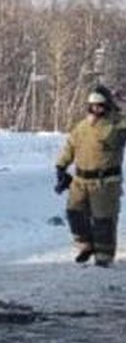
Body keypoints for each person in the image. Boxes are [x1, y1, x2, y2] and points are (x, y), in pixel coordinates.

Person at [55, 86, 126, 266]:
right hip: (80, 180)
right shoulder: (82, 126)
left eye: (100, 106)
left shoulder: (117, 124)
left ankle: (103, 256)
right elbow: (70, 146)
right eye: (92, 106)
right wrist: (61, 166)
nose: (96, 110)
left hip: (105, 182)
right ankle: (86, 245)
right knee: (74, 212)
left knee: (103, 220)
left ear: (107, 105)